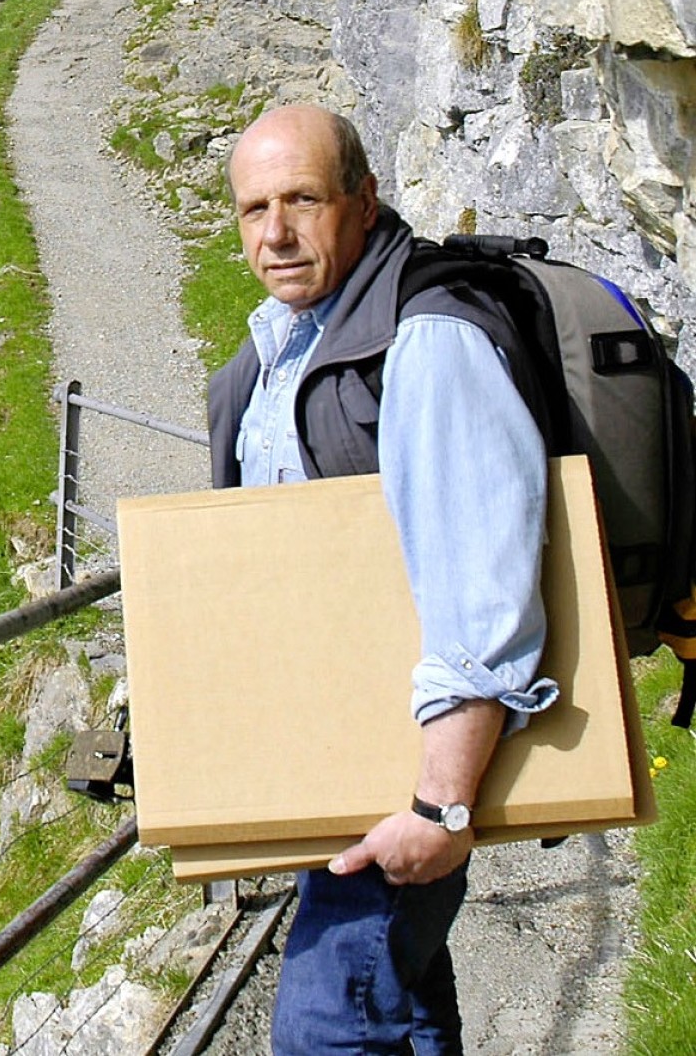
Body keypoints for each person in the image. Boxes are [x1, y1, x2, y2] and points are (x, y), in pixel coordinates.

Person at [209, 104, 557, 1056]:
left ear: (364, 201)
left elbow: (479, 584)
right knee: (397, 1016)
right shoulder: (280, 346)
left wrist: (440, 808)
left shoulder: (427, 342)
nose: (274, 233)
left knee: (325, 1031)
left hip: (404, 776)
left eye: (301, 200)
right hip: (337, 763)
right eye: (252, 210)